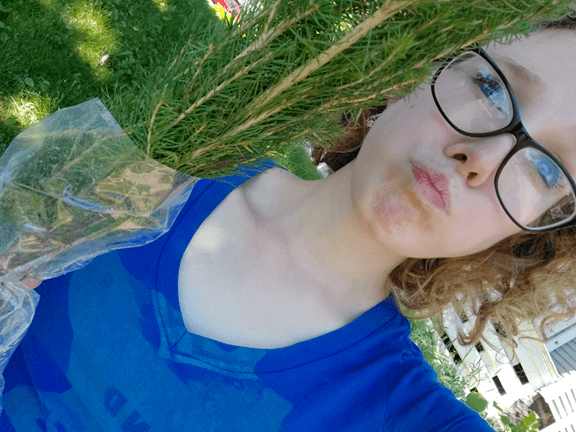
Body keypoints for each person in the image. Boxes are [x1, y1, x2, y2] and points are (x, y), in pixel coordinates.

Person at [3, 11, 576, 432]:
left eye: (549, 170)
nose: (483, 156)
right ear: (422, 67)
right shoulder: (179, 165)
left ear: (534, 232)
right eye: (491, 87)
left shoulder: (403, 416)